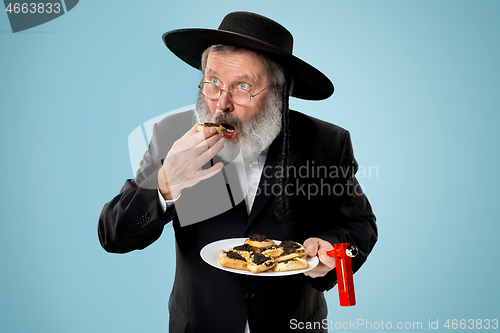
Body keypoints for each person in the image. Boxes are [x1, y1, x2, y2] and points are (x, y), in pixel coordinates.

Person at [98, 11, 377, 333]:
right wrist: (165, 183)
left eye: (242, 86)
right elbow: (114, 237)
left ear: (278, 94)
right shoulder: (171, 134)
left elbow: (358, 225)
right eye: (213, 82)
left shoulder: (326, 142)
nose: (221, 105)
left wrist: (332, 250)